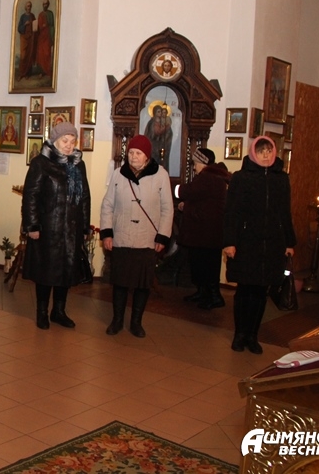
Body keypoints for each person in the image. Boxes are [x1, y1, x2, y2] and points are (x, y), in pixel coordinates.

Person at [223, 136, 296, 354]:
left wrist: (289, 242)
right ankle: (239, 335)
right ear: (254, 153)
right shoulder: (241, 177)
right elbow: (232, 213)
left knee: (261, 291)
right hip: (246, 243)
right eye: (261, 151)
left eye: (269, 151)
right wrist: (229, 242)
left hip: (272, 243)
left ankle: (253, 336)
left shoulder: (281, 179)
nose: (265, 155)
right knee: (245, 290)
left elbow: (285, 213)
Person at [101, 134, 173, 338]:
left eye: (138, 153)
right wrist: (107, 233)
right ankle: (117, 321)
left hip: (147, 239)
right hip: (122, 236)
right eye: (131, 152)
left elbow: (167, 208)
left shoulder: (161, 175)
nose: (133, 156)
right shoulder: (118, 174)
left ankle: (136, 323)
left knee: (143, 283)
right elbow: (107, 205)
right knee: (120, 282)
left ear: (147, 156)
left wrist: (162, 236)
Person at [22, 122, 91, 330]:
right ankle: (42, 312)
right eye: (64, 141)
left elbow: (85, 197)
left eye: (72, 141)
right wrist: (32, 226)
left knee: (66, 272)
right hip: (48, 229)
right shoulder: (41, 163)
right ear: (54, 140)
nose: (69, 146)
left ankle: (59, 311)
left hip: (71, 229)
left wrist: (84, 227)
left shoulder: (78, 164)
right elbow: (31, 196)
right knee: (46, 272)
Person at [174, 148, 230, 309]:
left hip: (206, 232)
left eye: (196, 163)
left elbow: (187, 191)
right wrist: (188, 205)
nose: (194, 167)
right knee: (202, 263)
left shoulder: (208, 177)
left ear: (203, 163)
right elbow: (201, 199)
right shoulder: (214, 176)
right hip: (207, 231)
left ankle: (214, 296)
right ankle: (203, 292)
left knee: (207, 265)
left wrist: (173, 189)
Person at [143, 104, 173, 173]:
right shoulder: (152, 122)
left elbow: (169, 133)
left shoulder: (162, 121)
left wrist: (167, 131)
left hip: (161, 146)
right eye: (158, 112)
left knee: (162, 162)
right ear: (154, 112)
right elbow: (156, 132)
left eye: (161, 112)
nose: (160, 113)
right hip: (154, 146)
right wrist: (166, 127)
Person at [16, 1, 36, 80]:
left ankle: (27, 73)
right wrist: (25, 24)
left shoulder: (32, 16)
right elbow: (19, 28)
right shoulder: (23, 17)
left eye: (30, 6)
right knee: (23, 56)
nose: (29, 8)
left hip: (30, 38)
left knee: (29, 56)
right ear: (25, 7)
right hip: (24, 38)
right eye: (28, 6)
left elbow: (35, 26)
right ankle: (21, 73)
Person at [36, 0, 54, 77]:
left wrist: (52, 36)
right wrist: (42, 26)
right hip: (41, 37)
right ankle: (41, 72)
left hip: (47, 36)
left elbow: (52, 25)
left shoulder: (50, 14)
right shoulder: (40, 14)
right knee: (41, 54)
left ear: (48, 5)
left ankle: (47, 71)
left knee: (47, 53)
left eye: (46, 4)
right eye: (43, 4)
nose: (45, 5)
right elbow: (39, 26)